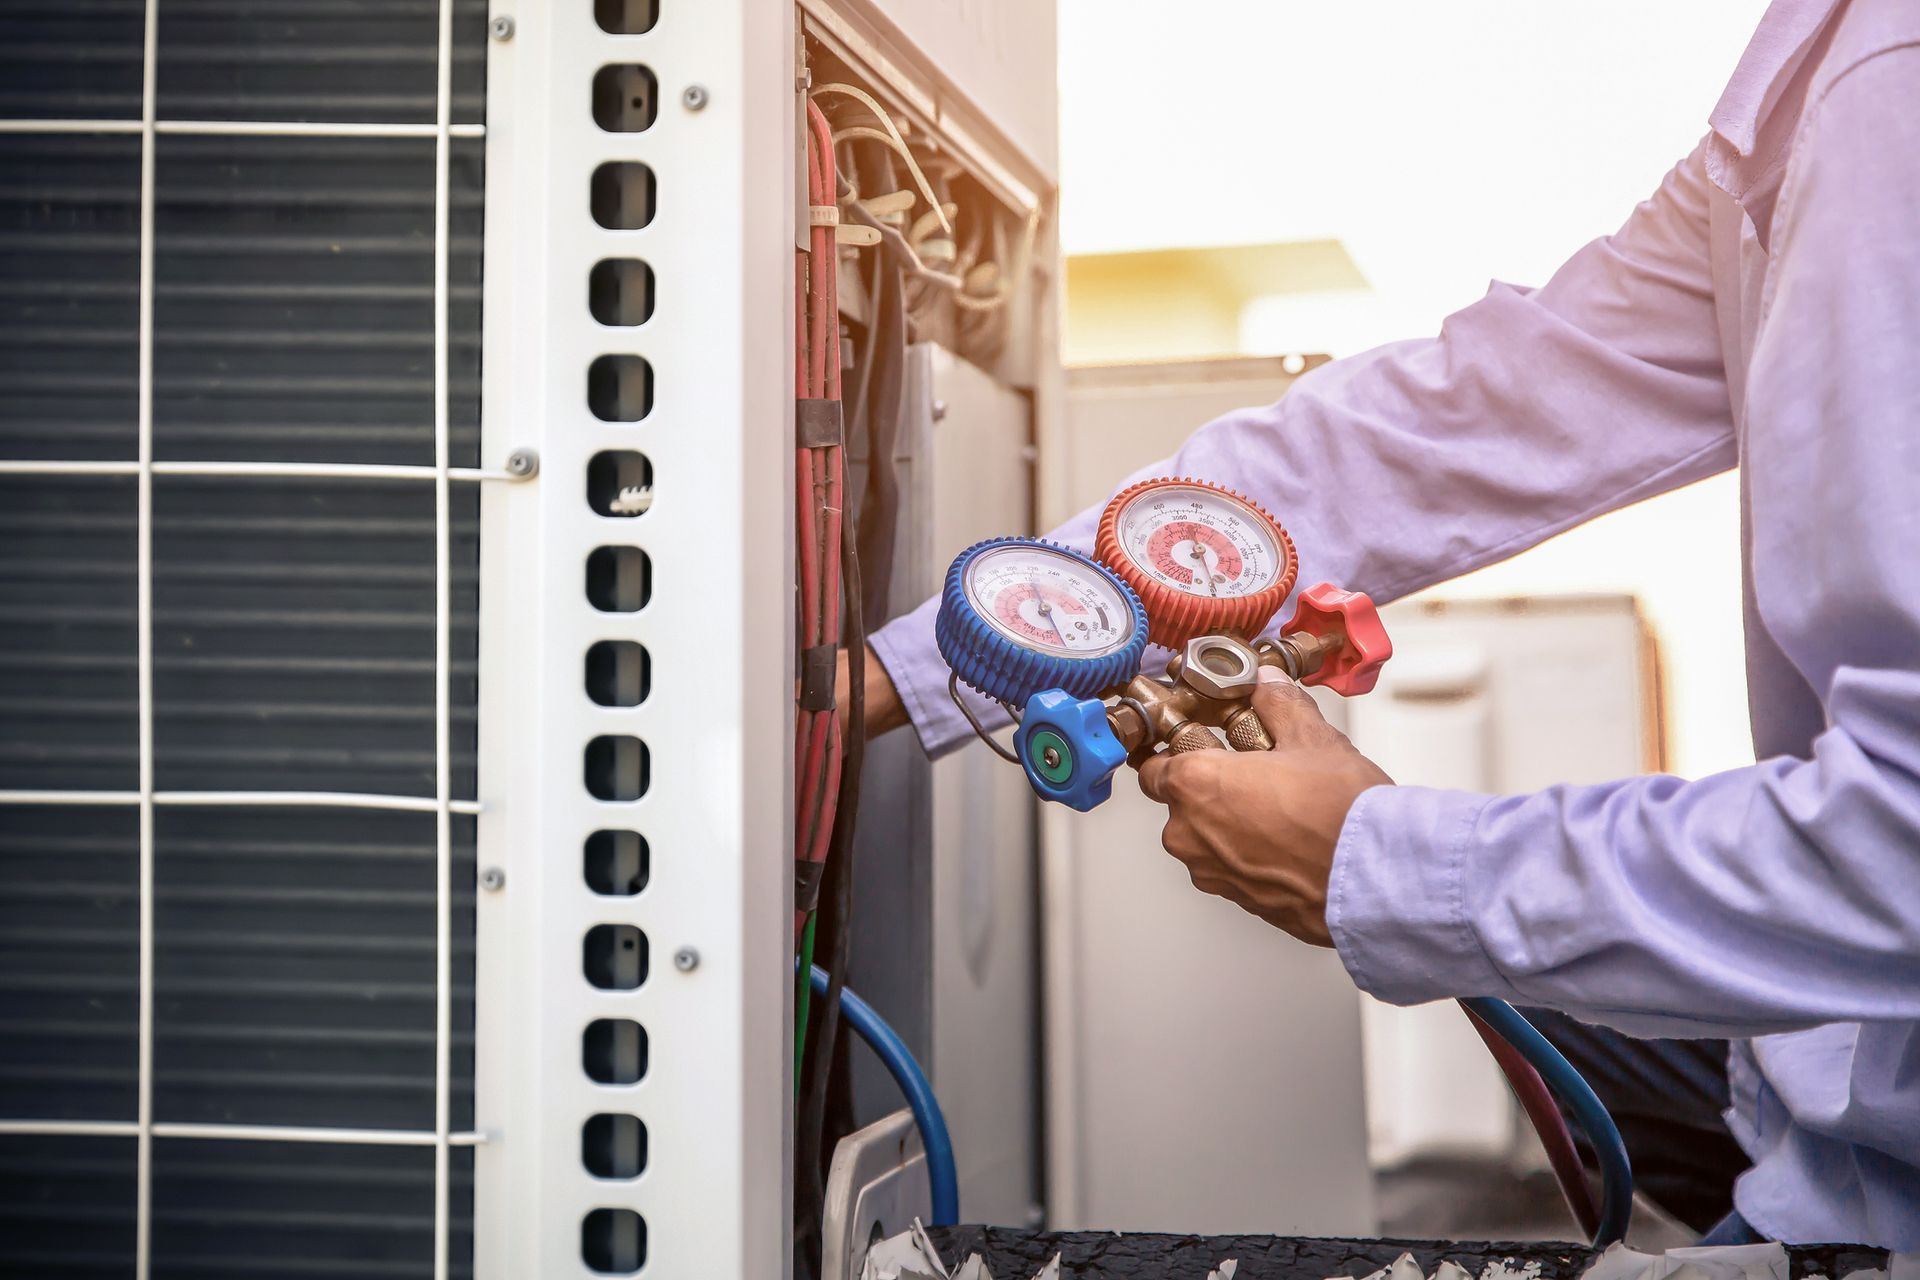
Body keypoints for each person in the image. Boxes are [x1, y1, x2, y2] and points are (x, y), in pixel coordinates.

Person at [846, 0, 1920, 1250]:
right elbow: (1463, 421)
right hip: (1838, 1058)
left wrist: (1377, 860)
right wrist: (901, 668)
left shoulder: (1887, 86)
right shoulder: (1828, 80)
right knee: (1577, 1015)